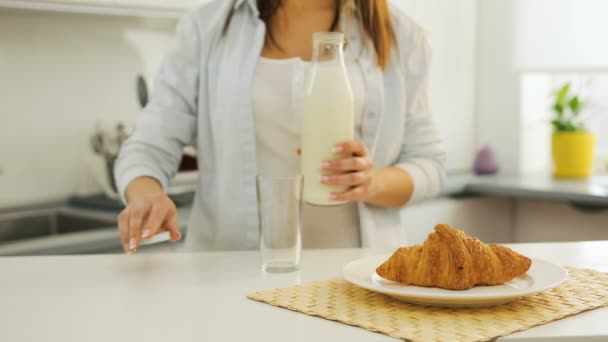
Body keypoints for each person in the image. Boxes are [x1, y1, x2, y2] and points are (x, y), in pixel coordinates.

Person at [114, 0, 446, 253]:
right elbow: (148, 144)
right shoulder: (208, 26)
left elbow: (430, 164)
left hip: (354, 277)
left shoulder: (400, 36)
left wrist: (371, 181)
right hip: (229, 275)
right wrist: (146, 195)